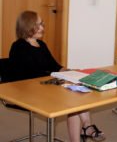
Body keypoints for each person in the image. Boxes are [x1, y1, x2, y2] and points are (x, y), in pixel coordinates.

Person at [8, 11, 105, 142]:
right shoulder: (18, 47)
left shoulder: (41, 45)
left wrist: (69, 71)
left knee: (76, 95)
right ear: (27, 26)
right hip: (26, 91)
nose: (42, 28)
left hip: (44, 86)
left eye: (42, 24)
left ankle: (86, 127)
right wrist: (57, 78)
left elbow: (54, 65)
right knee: (72, 96)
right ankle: (87, 127)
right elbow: (29, 76)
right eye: (38, 25)